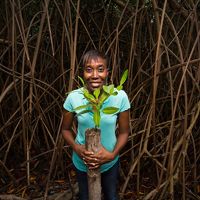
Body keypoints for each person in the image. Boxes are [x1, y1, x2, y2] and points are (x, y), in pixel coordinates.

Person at [62, 49, 130, 200]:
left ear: (107, 72)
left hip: (110, 162)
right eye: (88, 70)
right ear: (83, 73)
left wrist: (112, 155)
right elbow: (65, 130)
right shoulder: (73, 98)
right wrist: (77, 148)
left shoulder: (119, 97)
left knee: (111, 197)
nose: (94, 75)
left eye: (100, 69)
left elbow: (124, 132)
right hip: (82, 162)